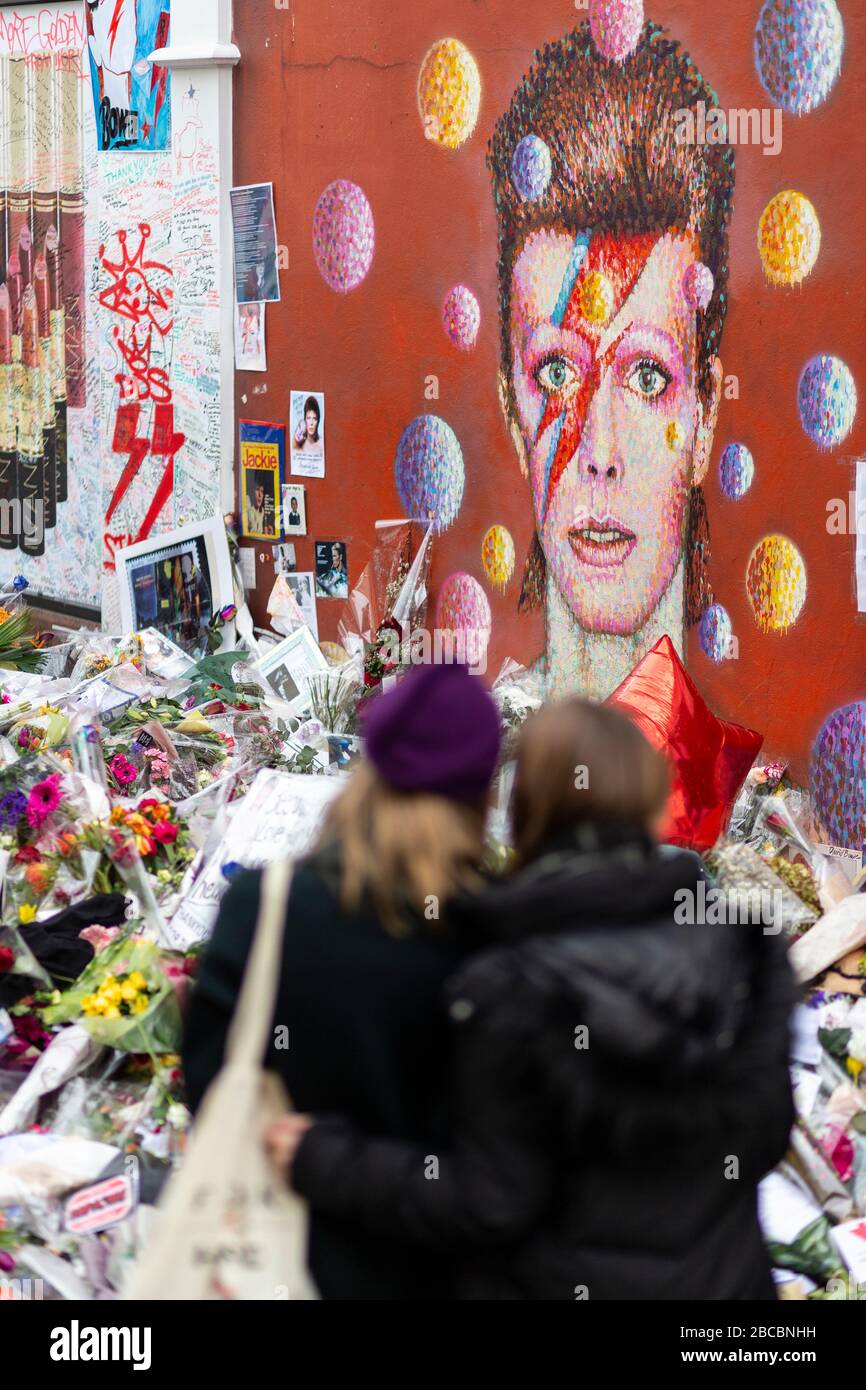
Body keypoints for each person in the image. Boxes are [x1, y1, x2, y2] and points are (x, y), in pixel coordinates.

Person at [270, 699, 796, 1301]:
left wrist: (326, 1159)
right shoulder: (747, 957)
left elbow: (489, 1201)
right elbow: (764, 1139)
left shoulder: (511, 982)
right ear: (653, 805)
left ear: (524, 815)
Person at [182, 662, 502, 1300]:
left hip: (274, 1257)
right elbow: (502, 1159)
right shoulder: (498, 931)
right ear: (483, 792)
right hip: (436, 1270)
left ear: (369, 766)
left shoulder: (267, 906)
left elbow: (208, 1085)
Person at [490, 22, 733, 702]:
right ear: (514, 414)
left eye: (648, 377)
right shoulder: (482, 786)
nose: (599, 452)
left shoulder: (746, 796)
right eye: (557, 374)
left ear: (704, 415)